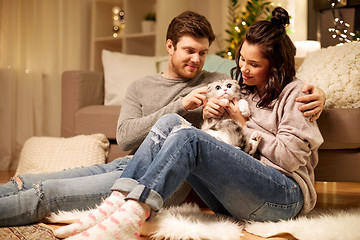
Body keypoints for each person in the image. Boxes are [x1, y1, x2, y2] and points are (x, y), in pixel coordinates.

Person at [0, 10, 324, 229]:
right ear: (170, 47)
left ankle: (126, 210)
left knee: (49, 192)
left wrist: (318, 94)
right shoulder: (146, 86)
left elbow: (275, 86)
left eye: (202, 52)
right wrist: (183, 105)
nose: (197, 60)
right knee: (34, 179)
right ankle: (121, 202)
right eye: (188, 51)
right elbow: (126, 138)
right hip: (133, 164)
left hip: (184, 178)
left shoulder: (223, 80)